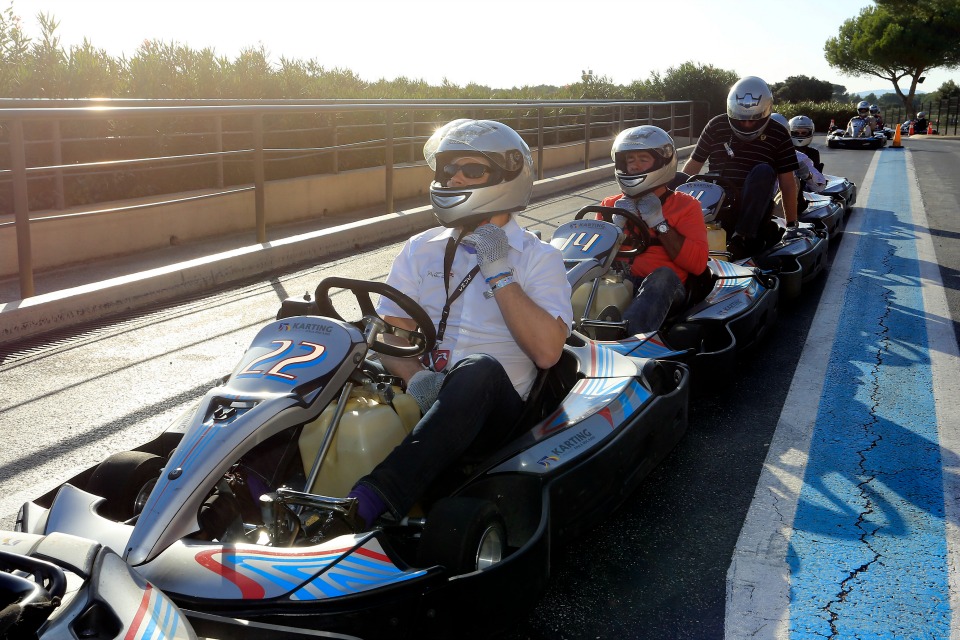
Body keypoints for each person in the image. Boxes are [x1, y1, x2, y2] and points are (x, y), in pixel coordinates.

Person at [339, 119, 573, 532]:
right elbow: (390, 331)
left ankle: (371, 501)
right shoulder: (421, 248)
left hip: (498, 414)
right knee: (332, 349)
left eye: (471, 170)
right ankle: (248, 481)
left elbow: (547, 351)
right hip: (421, 387)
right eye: (448, 170)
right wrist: (418, 380)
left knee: (477, 370)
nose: (455, 178)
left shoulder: (538, 257)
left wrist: (500, 272)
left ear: (507, 175)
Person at [598, 126, 708, 334]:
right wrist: (615, 228)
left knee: (663, 276)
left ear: (661, 162)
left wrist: (659, 223)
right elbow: (594, 261)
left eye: (643, 159)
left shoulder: (686, 206)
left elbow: (698, 265)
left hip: (665, 289)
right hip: (618, 282)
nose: (636, 166)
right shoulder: (610, 204)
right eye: (630, 160)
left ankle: (625, 336)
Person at [681, 75, 801, 260]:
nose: (746, 124)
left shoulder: (779, 134)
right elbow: (693, 166)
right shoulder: (716, 125)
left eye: (753, 120)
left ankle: (742, 238)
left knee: (763, 171)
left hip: (753, 206)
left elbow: (787, 182)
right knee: (676, 178)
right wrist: (675, 196)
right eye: (740, 119)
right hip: (714, 198)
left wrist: (792, 225)